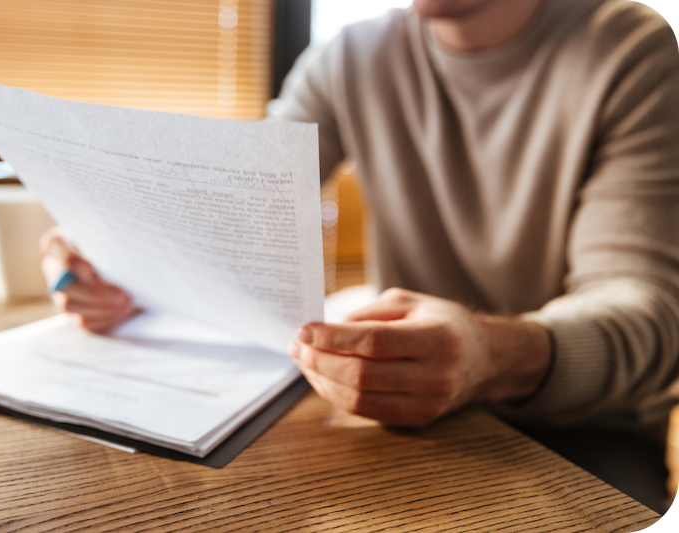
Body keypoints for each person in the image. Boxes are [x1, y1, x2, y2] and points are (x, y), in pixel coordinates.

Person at [41, 0, 679, 510]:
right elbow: (232, 201)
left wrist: (490, 355)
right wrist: (112, 249)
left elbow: (649, 311)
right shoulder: (351, 56)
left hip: (586, 434)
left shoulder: (634, 49)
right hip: (404, 422)